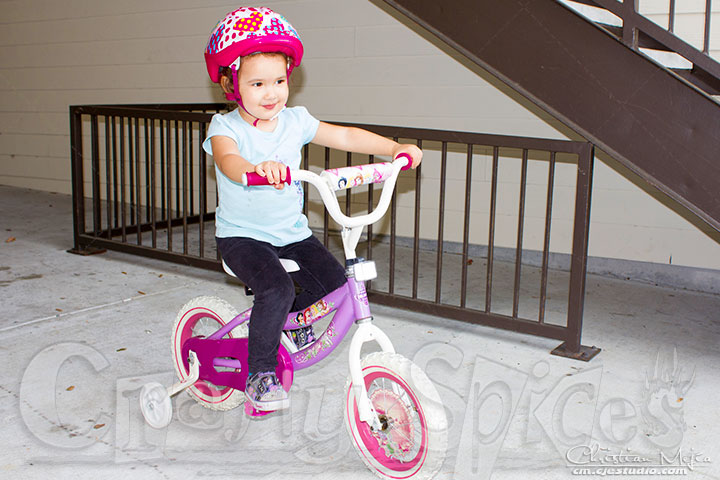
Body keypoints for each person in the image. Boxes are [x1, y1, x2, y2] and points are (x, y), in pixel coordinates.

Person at [202, 6, 422, 412]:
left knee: (336, 283)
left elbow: (343, 134)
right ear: (232, 85)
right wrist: (256, 169)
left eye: (280, 81)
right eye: (257, 83)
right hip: (242, 237)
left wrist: (394, 149)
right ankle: (260, 373)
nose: (272, 93)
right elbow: (228, 161)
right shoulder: (225, 128)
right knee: (276, 289)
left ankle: (292, 326)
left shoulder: (295, 120)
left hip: (291, 231)